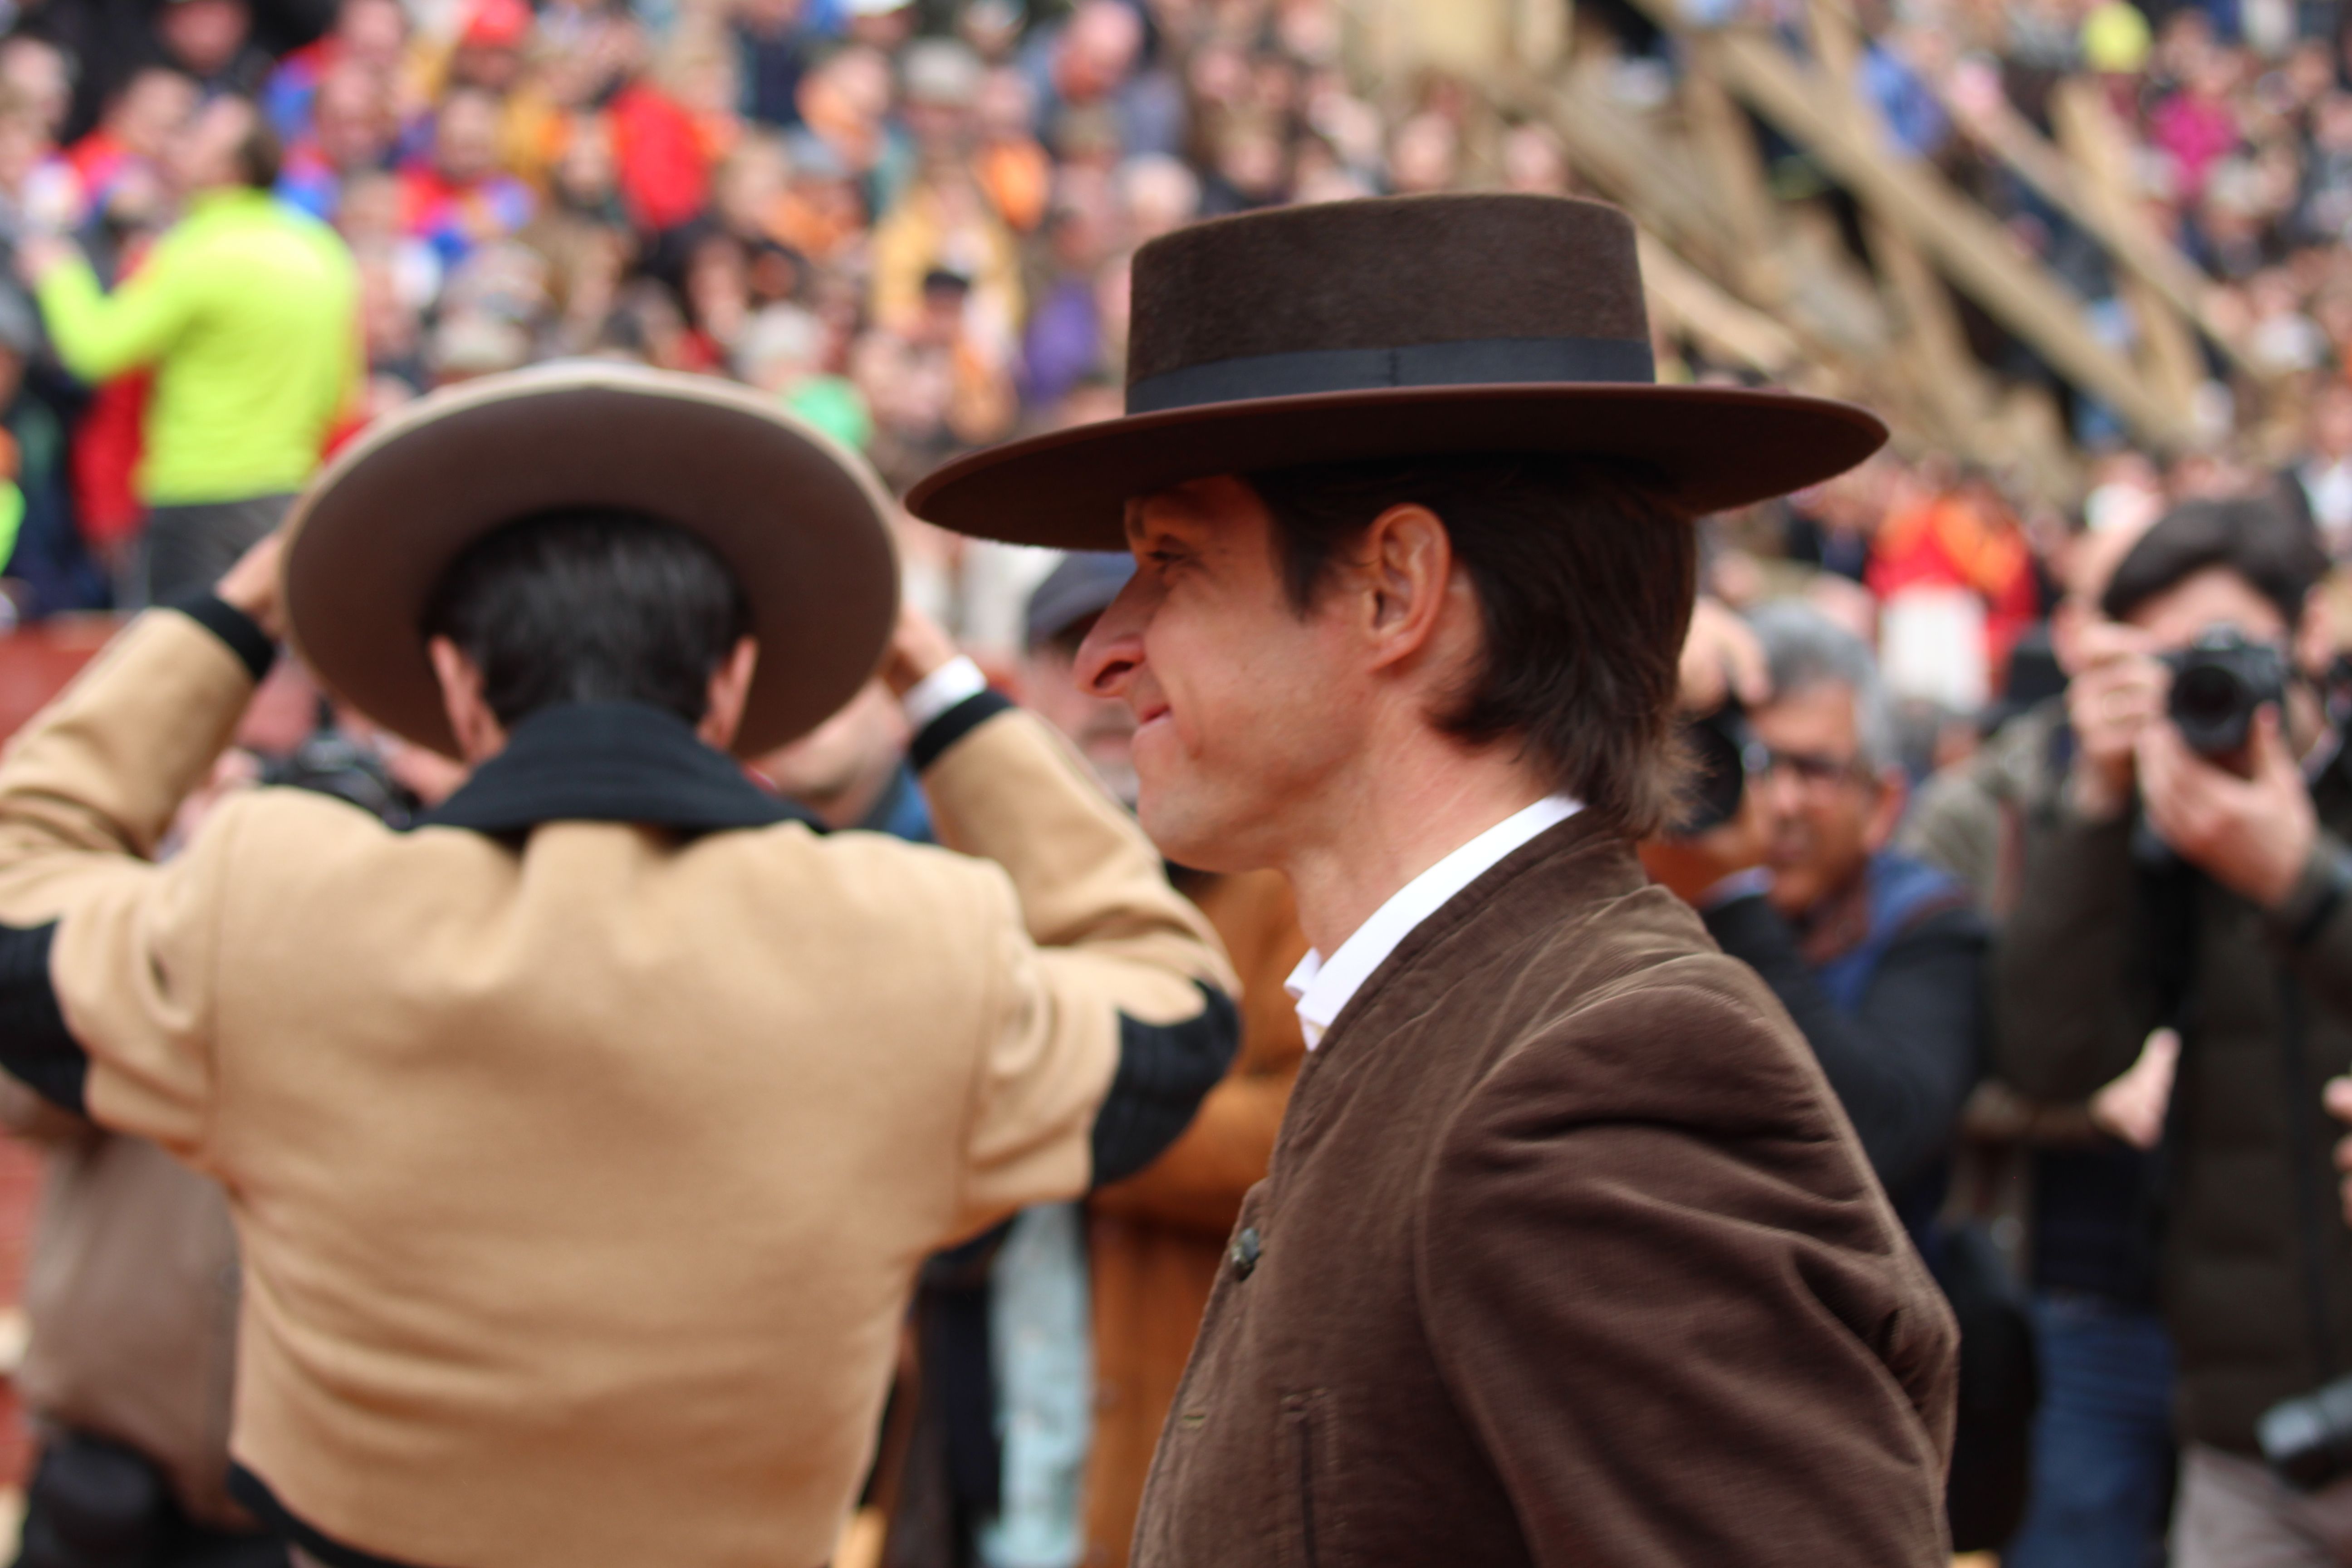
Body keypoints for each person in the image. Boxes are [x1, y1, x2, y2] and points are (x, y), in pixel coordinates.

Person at [0, 363, 1239, 1568]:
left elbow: (19, 881)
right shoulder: (909, 940)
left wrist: (242, 609)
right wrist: (943, 691)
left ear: (458, 683)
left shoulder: (283, 905)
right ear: (734, 679)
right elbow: (1173, 1008)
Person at [908, 192, 1959, 1565]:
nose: (1109, 651)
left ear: (1397, 589)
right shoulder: (1466, 1019)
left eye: (1172, 562)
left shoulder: (1605, 1071)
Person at [1993, 495, 2352, 1567]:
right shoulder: (2152, 827)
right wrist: (2097, 806)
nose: (2200, 685)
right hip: (2249, 1440)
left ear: (2310, 635)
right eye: (2159, 661)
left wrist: (2298, 884)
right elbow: (2049, 1054)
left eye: (2220, 649)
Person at [1901, 508, 2181, 1568]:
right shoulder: (1974, 811)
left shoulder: (2271, 792)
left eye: (2176, 626)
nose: (2149, 657)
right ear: (2069, 632)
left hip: (2244, 1315)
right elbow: (1925, 1078)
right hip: (2052, 1283)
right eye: (2124, 614)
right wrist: (2083, 1106)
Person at [18, 93, 356, 603]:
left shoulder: (196, 250)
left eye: (197, 138)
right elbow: (338, 388)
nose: (180, 146)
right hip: (285, 489)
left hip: (195, 494)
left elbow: (95, 349)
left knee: (183, 663)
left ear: (228, 169)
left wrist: (56, 272)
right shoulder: (323, 250)